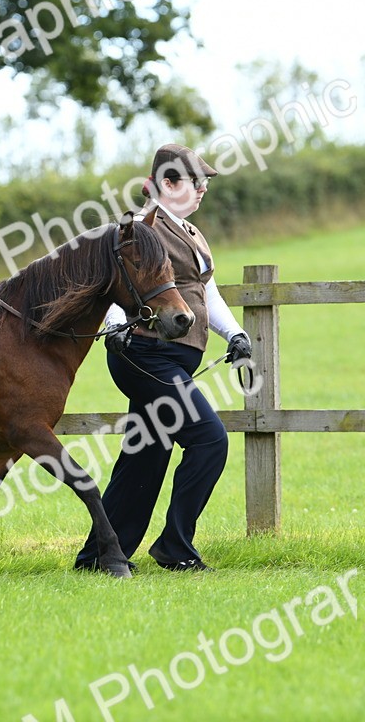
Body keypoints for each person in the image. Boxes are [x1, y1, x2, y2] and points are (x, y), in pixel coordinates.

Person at [75, 143, 252, 573]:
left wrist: (236, 333)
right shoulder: (141, 228)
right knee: (210, 439)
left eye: (205, 182)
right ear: (167, 184)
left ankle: (99, 557)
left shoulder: (190, 233)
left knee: (145, 454)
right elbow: (122, 279)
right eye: (197, 182)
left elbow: (205, 291)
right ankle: (175, 546)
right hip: (145, 354)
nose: (203, 189)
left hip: (174, 356)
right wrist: (117, 323)